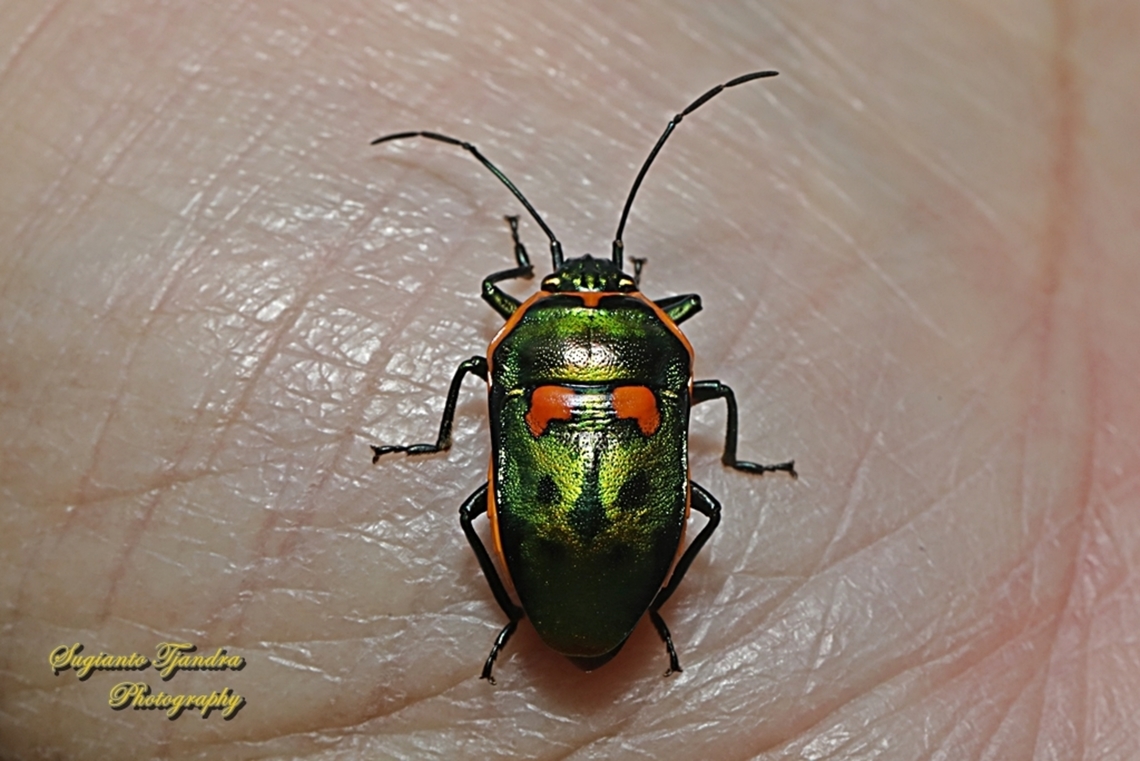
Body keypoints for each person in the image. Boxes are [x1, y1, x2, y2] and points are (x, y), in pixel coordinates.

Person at [2, 2, 1136, 757]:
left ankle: (520, 621)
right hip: (629, 542)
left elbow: (490, 349)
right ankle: (620, 596)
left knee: (468, 496)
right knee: (707, 495)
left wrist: (445, 417)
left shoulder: (515, 342)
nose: (590, 284)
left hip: (551, 536)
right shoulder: (662, 345)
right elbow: (699, 371)